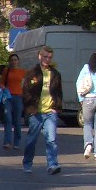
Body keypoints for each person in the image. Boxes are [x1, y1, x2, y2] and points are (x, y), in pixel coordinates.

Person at [21, 45, 64, 175]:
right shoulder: (32, 74)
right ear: (39, 56)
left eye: (49, 57)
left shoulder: (55, 74)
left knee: (51, 139)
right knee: (31, 140)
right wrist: (29, 108)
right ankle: (27, 163)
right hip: (36, 112)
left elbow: (58, 92)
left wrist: (57, 107)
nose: (47, 59)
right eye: (45, 56)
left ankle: (52, 164)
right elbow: (26, 92)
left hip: (50, 112)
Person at [0, 53, 26, 149]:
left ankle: (17, 143)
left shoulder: (23, 72)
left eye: (15, 60)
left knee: (17, 121)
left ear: (18, 61)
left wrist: (24, 92)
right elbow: (1, 82)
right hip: (8, 98)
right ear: (9, 62)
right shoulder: (7, 71)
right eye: (12, 60)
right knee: (8, 119)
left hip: (18, 98)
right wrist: (3, 88)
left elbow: (28, 83)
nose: (13, 62)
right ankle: (7, 142)